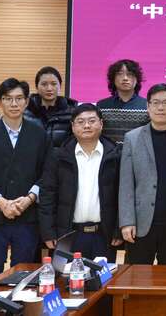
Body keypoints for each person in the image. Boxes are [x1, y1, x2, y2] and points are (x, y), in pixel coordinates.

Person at [0, 78, 49, 280]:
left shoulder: (39, 135)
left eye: (19, 98)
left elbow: (47, 173)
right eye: (8, 99)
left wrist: (30, 198)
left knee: (23, 274)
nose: (14, 104)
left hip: (27, 216)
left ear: (26, 102)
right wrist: (2, 202)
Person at [119, 84, 166, 265]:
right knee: (136, 276)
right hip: (141, 222)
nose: (161, 107)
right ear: (148, 106)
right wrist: (127, 221)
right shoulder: (132, 138)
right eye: (155, 103)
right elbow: (126, 183)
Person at [39, 103, 123, 263]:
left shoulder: (115, 156)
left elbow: (123, 195)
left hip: (104, 235)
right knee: (67, 277)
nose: (86, 125)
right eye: (80, 121)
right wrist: (48, 232)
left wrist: (118, 229)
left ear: (101, 124)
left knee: (104, 277)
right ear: (72, 126)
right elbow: (47, 194)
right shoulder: (58, 156)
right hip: (68, 234)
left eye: (92, 121)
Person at [24, 66, 78, 148]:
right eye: (44, 84)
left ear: (60, 86)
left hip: (61, 156)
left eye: (54, 84)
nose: (49, 88)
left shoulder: (71, 113)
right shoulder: (26, 112)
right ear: (36, 87)